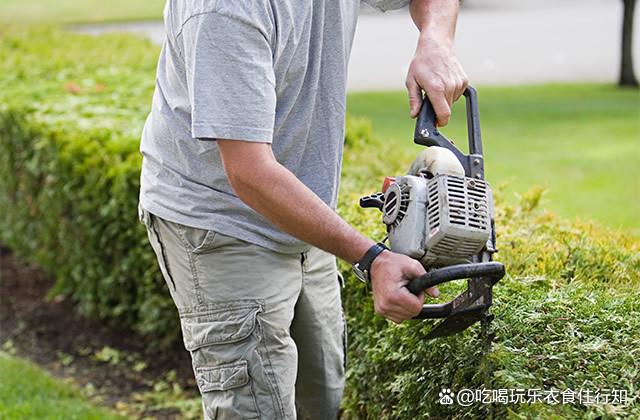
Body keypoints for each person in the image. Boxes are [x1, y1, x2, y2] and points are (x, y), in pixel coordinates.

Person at [138, 0, 468, 418]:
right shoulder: (222, 10)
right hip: (222, 220)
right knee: (259, 408)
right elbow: (249, 173)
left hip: (300, 209)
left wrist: (435, 40)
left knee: (321, 396)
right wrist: (372, 256)